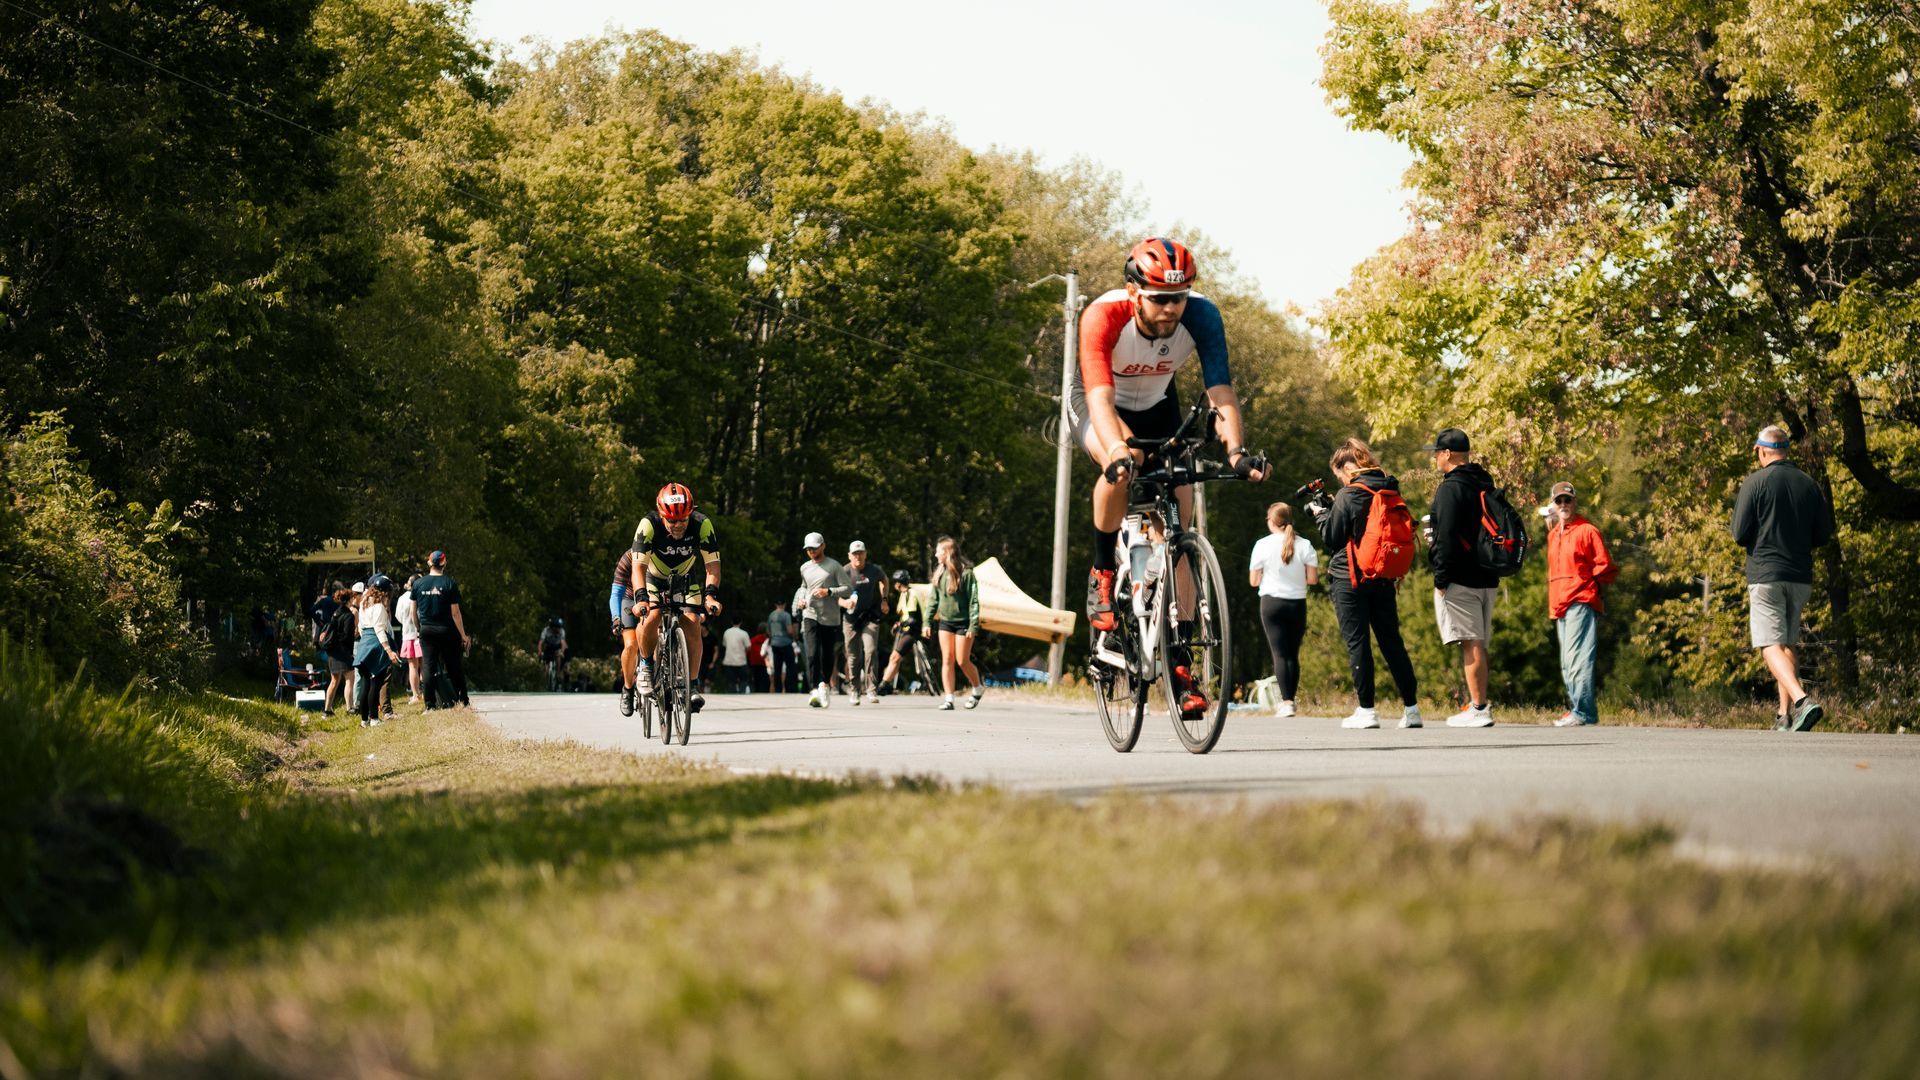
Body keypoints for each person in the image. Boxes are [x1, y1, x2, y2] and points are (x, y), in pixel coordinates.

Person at [1071, 238, 1267, 644]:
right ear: (1133, 293)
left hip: (1158, 402)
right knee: (1124, 466)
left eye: (1179, 297)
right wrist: (1118, 451)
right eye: (1160, 298)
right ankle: (1103, 571)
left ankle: (1183, 649)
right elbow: (1101, 400)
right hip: (1099, 401)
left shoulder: (1203, 315)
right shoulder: (1102, 315)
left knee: (1182, 496)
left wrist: (1236, 453)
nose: (1171, 308)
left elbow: (1221, 392)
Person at [1312, 438, 1421, 730]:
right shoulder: (1388, 489)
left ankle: (1367, 710)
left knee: (1358, 642)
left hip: (1350, 577)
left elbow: (1332, 538)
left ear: (1348, 468)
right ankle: (1412, 710)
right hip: (1384, 575)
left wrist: (1321, 514)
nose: (1342, 481)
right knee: (1391, 641)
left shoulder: (1348, 494)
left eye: (1340, 476)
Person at [1732, 425, 1835, 731]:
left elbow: (1739, 534)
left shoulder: (1755, 482)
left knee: (1768, 644)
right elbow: (1824, 534)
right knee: (1787, 642)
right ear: (1786, 449)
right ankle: (1783, 715)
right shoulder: (1809, 484)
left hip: (1766, 575)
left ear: (1761, 450)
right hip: (1800, 576)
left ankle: (1803, 701)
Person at [1425, 427, 1501, 727]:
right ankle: (1479, 704)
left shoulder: (1450, 488)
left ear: (1447, 454)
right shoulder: (1484, 482)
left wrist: (1441, 580)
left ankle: (1480, 708)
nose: (1434, 458)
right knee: (1478, 642)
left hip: (1461, 578)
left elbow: (1445, 537)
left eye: (1436, 453)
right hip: (1487, 574)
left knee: (1471, 643)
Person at [632, 483, 724, 710]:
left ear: (690, 513)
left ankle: (692, 685)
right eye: (671, 521)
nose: (677, 526)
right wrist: (641, 598)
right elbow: (638, 568)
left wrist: (710, 596)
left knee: (693, 622)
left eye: (683, 519)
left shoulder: (702, 524)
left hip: (685, 578)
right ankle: (645, 665)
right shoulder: (648, 524)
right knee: (651, 617)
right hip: (654, 578)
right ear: (661, 514)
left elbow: (712, 566)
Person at [1544, 482, 1618, 727]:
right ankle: (1580, 710)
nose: (1563, 505)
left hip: (1580, 600)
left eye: (1568, 500)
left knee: (1579, 660)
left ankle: (1583, 712)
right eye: (1559, 501)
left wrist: (1589, 586)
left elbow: (1604, 565)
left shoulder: (1588, 530)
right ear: (1553, 504)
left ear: (1575, 502)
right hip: (1559, 602)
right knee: (1567, 662)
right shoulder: (1554, 534)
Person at [1249, 501, 1319, 717]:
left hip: (1271, 603)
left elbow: (1253, 581)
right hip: (1297, 603)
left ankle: (1286, 703)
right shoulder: (1305, 545)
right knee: (1292, 654)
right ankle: (1291, 700)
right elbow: (1313, 579)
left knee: (1279, 654)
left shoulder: (1262, 545)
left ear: (1272, 522)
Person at [926, 535, 984, 710]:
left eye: (938, 551)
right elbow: (933, 600)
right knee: (947, 659)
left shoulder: (966, 574)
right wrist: (927, 622)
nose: (936, 554)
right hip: (946, 622)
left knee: (962, 660)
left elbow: (974, 601)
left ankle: (978, 688)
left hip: (964, 623)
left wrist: (973, 625)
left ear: (947, 552)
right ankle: (949, 698)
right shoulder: (940, 574)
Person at [411, 550, 471, 709]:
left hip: (427, 630)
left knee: (428, 667)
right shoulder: (449, 583)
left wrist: (419, 629)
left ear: (429, 563)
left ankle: (430, 705)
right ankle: (463, 701)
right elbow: (455, 613)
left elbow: (412, 612)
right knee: (454, 666)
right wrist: (463, 635)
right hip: (447, 631)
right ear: (444, 563)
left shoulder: (418, 584)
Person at [797, 532, 851, 708]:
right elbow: (804, 586)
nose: (812, 551)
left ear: (823, 546)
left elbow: (848, 589)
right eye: (808, 549)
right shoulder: (804, 567)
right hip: (810, 614)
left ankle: (825, 685)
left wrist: (828, 592)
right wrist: (801, 599)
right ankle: (813, 690)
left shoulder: (834, 566)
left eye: (814, 548)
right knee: (812, 653)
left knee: (827, 654)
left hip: (830, 617)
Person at [840, 540, 888, 705]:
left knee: (870, 650)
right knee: (853, 655)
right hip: (851, 618)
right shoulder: (843, 571)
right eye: (854, 553)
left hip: (869, 616)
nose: (857, 556)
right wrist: (844, 603)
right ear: (849, 555)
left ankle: (871, 689)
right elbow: (833, 593)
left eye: (860, 553)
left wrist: (884, 600)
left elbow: (884, 580)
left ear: (865, 554)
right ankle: (854, 689)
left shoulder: (873, 570)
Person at [353, 576, 401, 727]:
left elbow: (360, 627)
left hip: (364, 643)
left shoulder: (364, 604)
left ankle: (364, 720)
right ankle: (374, 718)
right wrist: (389, 650)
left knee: (366, 682)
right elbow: (380, 630)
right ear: (386, 592)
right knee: (376, 682)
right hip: (376, 644)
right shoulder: (379, 607)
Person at [880, 569, 927, 692]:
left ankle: (883, 686)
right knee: (895, 658)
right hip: (907, 629)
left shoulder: (910, 594)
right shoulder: (904, 594)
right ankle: (886, 683)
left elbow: (912, 618)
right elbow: (905, 615)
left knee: (895, 657)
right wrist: (899, 623)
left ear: (899, 583)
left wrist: (901, 624)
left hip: (912, 630)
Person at [610, 547, 643, 715]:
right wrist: (616, 618)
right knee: (631, 645)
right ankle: (628, 689)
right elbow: (616, 593)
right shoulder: (628, 558)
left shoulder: (661, 552)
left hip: (653, 600)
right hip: (629, 599)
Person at [318, 586, 355, 716]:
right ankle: (350, 708)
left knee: (334, 681)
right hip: (343, 651)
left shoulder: (336, 613)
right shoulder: (348, 616)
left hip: (332, 651)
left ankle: (327, 710)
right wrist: (350, 653)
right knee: (350, 678)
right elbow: (347, 637)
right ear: (349, 600)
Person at [395, 574, 423, 704]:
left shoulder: (402, 598)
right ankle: (427, 692)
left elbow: (398, 617)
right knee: (424, 666)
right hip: (421, 634)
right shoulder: (422, 595)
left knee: (412, 666)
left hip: (408, 634)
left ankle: (416, 695)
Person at [767, 598, 797, 694]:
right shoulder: (786, 615)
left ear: (775, 604)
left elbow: (768, 631)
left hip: (775, 643)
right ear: (784, 604)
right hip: (785, 643)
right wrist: (793, 636)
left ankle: (778, 688)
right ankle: (790, 688)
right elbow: (790, 630)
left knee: (777, 667)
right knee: (790, 666)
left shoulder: (771, 615)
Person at [720, 617, 752, 693]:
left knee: (731, 682)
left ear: (731, 622)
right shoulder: (744, 633)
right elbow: (748, 647)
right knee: (743, 680)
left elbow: (724, 645)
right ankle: (742, 694)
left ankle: (732, 695)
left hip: (729, 661)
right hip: (741, 661)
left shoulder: (727, 632)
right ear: (741, 622)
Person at [536, 617, 569, 688]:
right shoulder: (546, 630)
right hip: (549, 647)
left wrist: (562, 651)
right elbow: (540, 642)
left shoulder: (562, 631)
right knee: (546, 666)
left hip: (558, 646)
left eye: (559, 627)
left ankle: (558, 673)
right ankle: (545, 684)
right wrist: (539, 651)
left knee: (558, 655)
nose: (558, 629)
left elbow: (563, 643)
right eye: (556, 627)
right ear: (552, 627)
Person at [748, 623, 771, 693]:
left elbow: (748, 651)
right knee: (765, 682)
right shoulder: (768, 640)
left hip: (754, 663)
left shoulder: (752, 640)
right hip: (765, 663)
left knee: (756, 681)